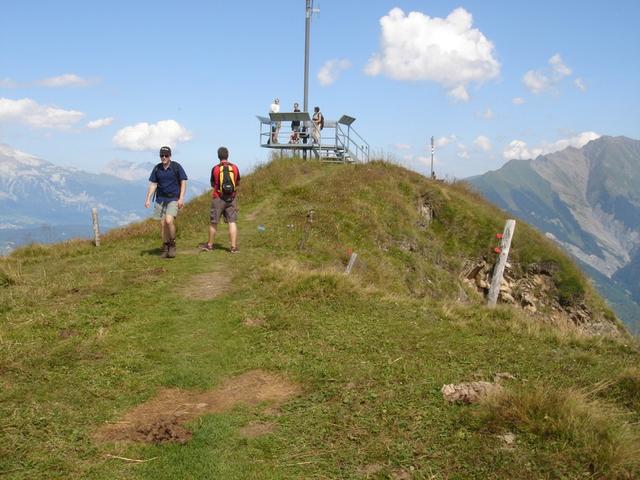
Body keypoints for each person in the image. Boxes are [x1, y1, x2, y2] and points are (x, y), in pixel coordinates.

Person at [145, 146, 188, 258]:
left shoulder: (176, 167)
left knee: (169, 221)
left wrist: (181, 198)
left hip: (173, 198)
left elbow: (183, 181)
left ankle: (172, 244)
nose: (163, 157)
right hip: (160, 199)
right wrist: (148, 199)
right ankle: (165, 247)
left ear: (170, 156)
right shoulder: (157, 168)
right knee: (163, 224)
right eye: (161, 155)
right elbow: (153, 184)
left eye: (166, 155)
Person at [199, 146, 240, 253]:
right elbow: (237, 182)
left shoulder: (215, 169)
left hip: (218, 198)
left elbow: (213, 184)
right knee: (232, 222)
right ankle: (234, 247)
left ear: (218, 156)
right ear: (228, 155)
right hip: (231, 198)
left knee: (214, 222)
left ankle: (210, 245)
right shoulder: (235, 168)